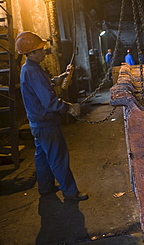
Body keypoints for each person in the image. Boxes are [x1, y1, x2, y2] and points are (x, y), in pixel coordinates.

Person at [15, 31, 88, 201]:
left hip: (37, 123)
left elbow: (45, 84)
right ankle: (70, 193)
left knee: (42, 157)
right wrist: (69, 108)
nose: (44, 51)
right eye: (40, 49)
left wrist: (61, 77)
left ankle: (46, 188)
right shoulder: (32, 71)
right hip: (46, 123)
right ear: (31, 53)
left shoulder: (30, 68)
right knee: (58, 158)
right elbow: (49, 102)